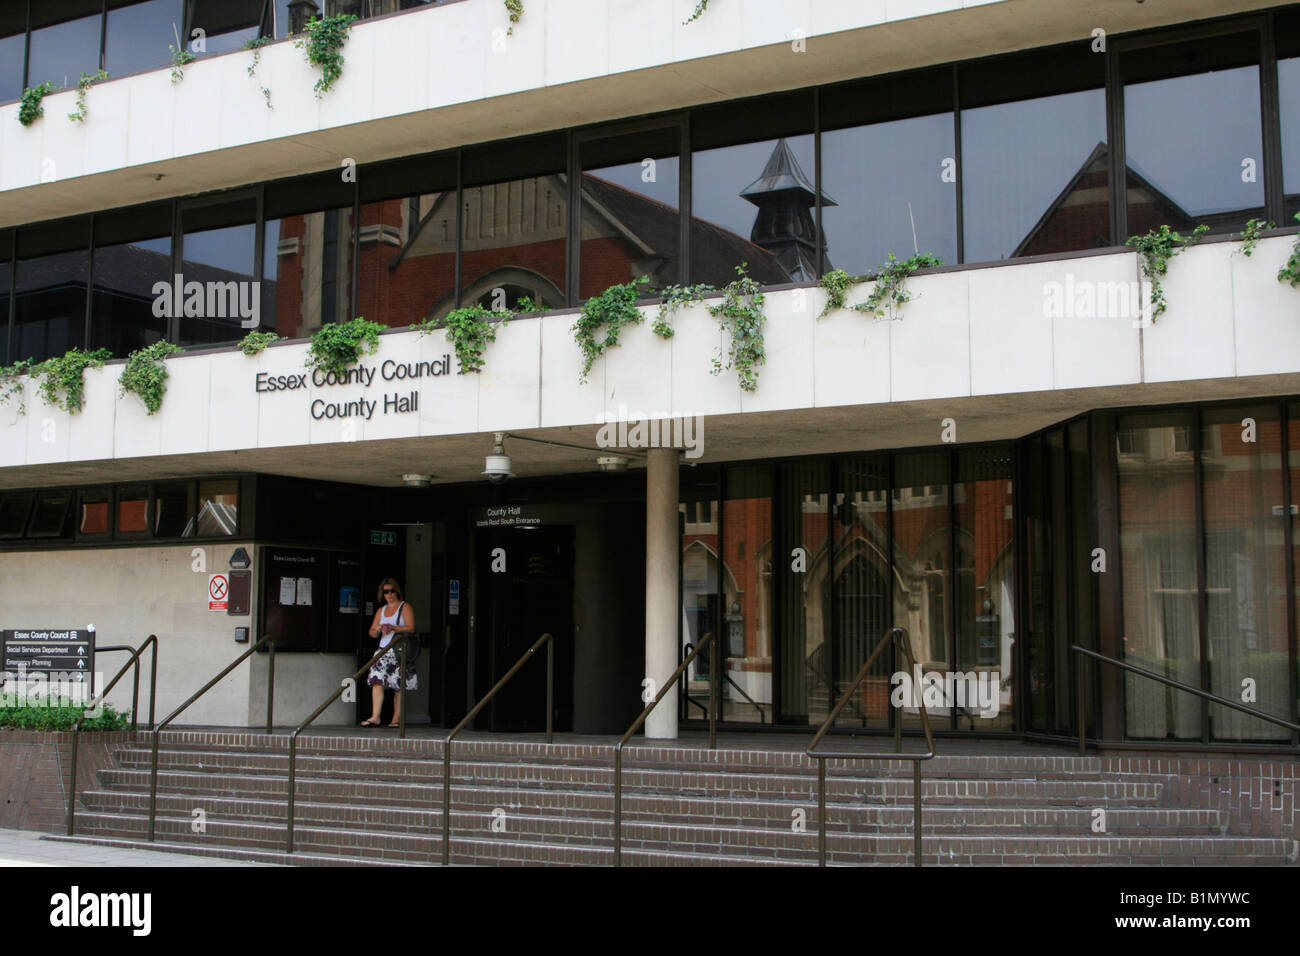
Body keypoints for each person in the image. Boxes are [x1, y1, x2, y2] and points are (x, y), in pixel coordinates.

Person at [362, 578, 417, 727]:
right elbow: (372, 633)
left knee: (398, 686)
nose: (389, 594)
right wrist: (378, 629)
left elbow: (411, 628)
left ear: (397, 591)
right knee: (376, 681)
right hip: (382, 650)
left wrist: (393, 628)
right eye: (386, 591)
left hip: (398, 651)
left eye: (392, 591)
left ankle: (396, 718)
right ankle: (375, 716)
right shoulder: (381, 610)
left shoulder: (404, 607)